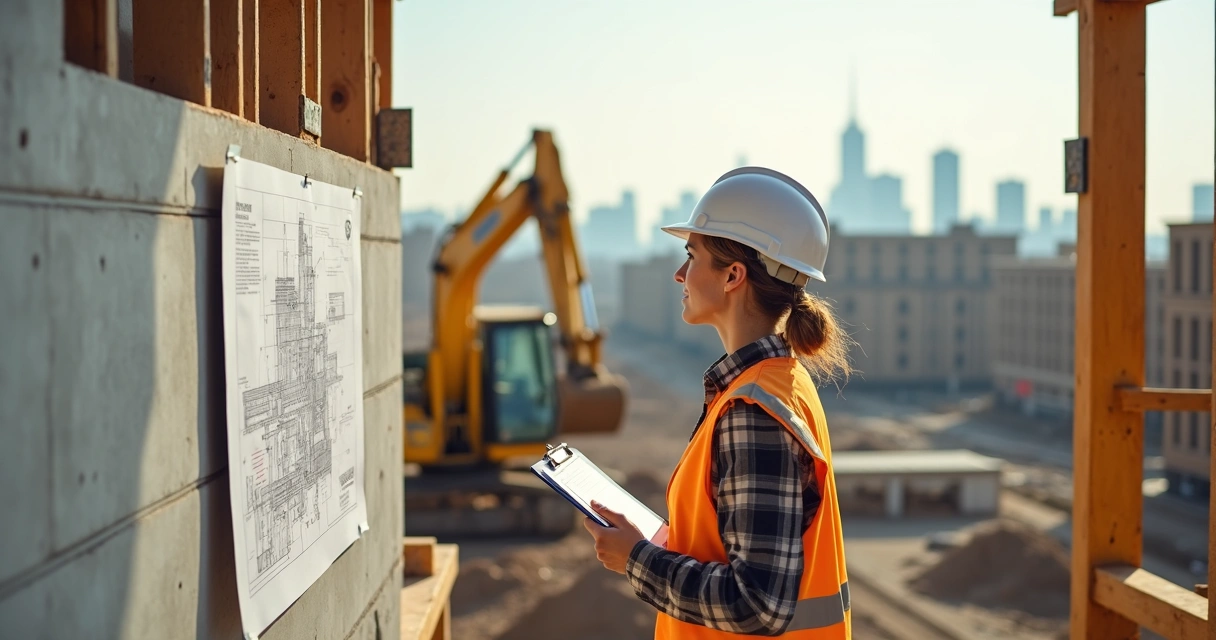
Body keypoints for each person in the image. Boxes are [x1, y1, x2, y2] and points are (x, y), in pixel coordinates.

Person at [583, 167, 854, 638]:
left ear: (733, 275)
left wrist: (636, 558)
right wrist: (658, 543)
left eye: (692, 256)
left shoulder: (754, 411)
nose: (679, 274)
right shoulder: (778, 383)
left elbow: (757, 605)